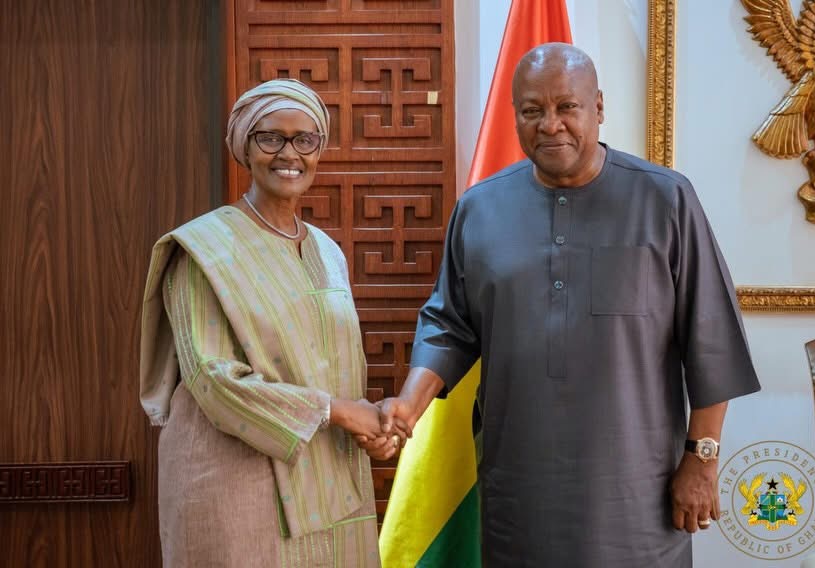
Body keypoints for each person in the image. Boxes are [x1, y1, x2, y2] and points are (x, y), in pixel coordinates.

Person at [360, 43, 761, 566]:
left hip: (638, 494)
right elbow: (449, 326)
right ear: (515, 115)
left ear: (599, 107)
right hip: (518, 493)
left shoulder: (666, 199)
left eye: (566, 107)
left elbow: (711, 340)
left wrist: (702, 461)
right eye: (532, 110)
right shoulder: (479, 209)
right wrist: (407, 408)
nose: (550, 125)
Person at [139, 79, 405, 567]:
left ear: (319, 148)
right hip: (236, 482)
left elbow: (331, 367)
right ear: (245, 146)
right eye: (271, 138)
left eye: (305, 139)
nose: (289, 154)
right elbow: (212, 379)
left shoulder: (327, 251)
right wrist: (340, 412)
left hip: (328, 476)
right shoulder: (203, 249)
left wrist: (369, 427)